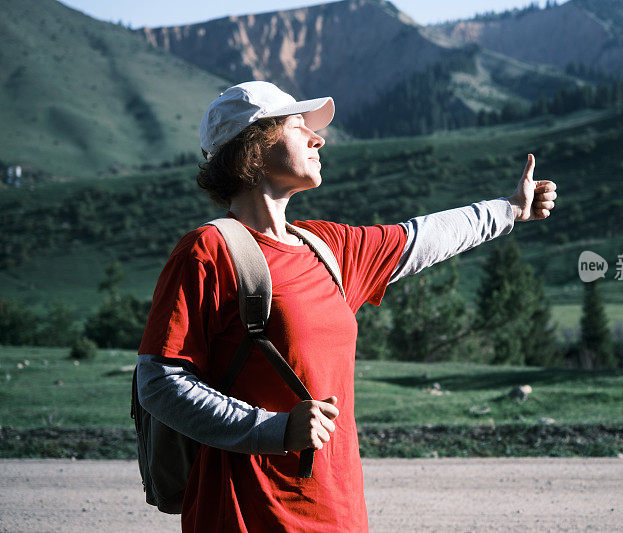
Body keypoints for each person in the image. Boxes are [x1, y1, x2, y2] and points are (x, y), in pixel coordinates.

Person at [137, 81, 557, 532]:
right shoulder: (208, 250)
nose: (319, 139)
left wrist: (509, 210)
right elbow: (160, 382)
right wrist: (271, 430)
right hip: (243, 515)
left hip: (337, 511)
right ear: (253, 149)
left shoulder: (326, 247)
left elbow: (422, 236)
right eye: (300, 128)